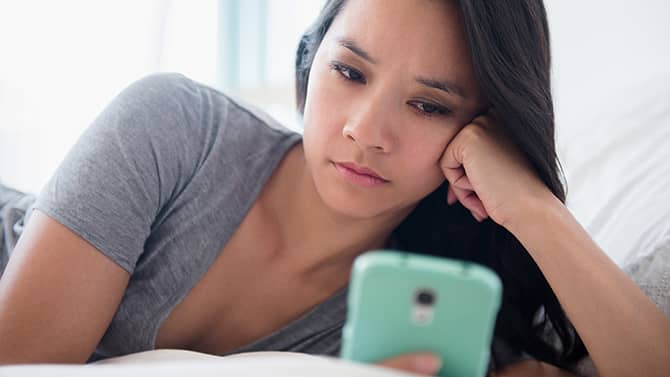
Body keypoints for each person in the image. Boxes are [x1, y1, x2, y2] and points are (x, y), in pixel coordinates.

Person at [0, 0, 668, 376]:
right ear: (309, 59)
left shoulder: (441, 313)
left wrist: (531, 207)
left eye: (429, 105)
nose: (365, 130)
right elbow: (20, 361)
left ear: (481, 134)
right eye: (350, 72)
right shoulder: (170, 125)